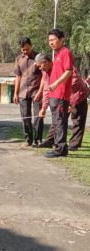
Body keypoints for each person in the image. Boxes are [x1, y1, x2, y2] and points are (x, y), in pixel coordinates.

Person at [37, 54, 88, 151]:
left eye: (40, 66)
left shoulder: (64, 65)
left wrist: (70, 103)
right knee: (58, 118)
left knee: (78, 120)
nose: (40, 69)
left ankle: (74, 145)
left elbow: (75, 82)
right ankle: (50, 140)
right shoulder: (45, 72)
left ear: (46, 62)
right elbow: (47, 90)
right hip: (62, 97)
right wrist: (43, 108)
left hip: (78, 95)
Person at [40, 29, 73, 158]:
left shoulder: (66, 52)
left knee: (59, 122)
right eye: (49, 41)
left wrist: (56, 83)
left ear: (61, 39)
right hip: (54, 95)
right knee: (57, 121)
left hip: (60, 94)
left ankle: (60, 148)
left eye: (53, 40)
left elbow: (69, 71)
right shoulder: (57, 54)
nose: (51, 43)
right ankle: (60, 147)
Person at [13, 37, 43, 147]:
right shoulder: (18, 59)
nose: (25, 52)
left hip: (36, 92)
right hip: (22, 93)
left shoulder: (38, 57)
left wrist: (41, 91)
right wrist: (15, 93)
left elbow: (43, 76)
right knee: (25, 117)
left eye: (27, 49)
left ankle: (38, 139)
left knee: (38, 116)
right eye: (23, 50)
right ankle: (28, 139)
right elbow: (18, 77)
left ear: (31, 46)